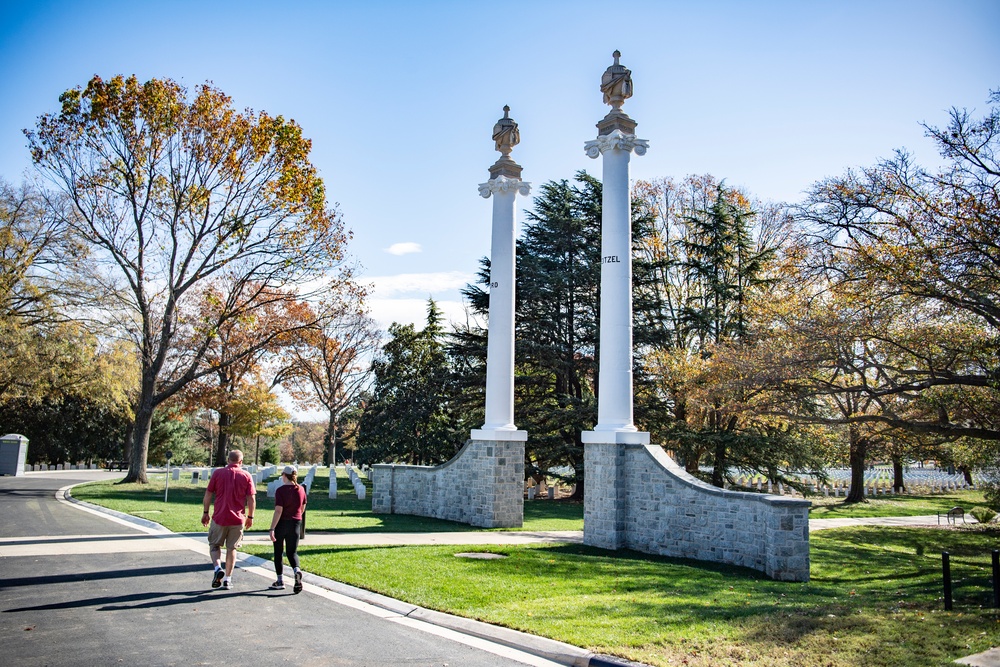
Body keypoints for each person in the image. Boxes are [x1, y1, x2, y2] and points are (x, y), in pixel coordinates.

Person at [202, 449, 256, 591]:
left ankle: (217, 567)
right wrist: (250, 516)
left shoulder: (218, 474)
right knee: (232, 548)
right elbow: (251, 498)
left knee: (214, 545)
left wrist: (206, 512)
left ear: (228, 460)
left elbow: (208, 494)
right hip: (237, 518)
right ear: (241, 461)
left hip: (219, 516)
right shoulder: (246, 475)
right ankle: (228, 579)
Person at [268, 465, 308, 593]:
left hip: (282, 523)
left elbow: (278, 510)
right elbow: (302, 508)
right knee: (292, 552)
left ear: (285, 475)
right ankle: (297, 570)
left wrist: (272, 528)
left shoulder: (280, 490)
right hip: (296, 523)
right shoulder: (301, 489)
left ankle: (280, 580)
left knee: (278, 552)